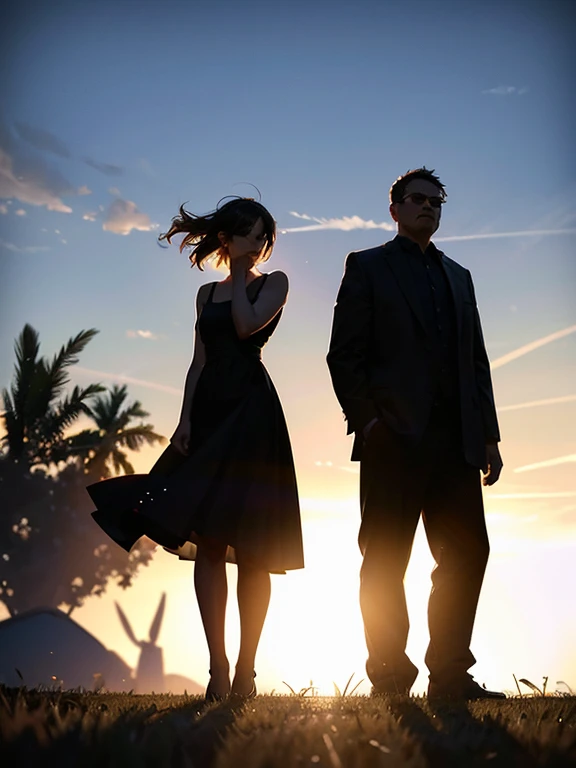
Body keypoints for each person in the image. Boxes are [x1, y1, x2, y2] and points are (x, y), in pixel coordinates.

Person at [88, 197, 304, 701]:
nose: (256, 241)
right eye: (246, 233)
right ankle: (219, 670)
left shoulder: (274, 284)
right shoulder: (205, 294)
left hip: (253, 418)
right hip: (208, 416)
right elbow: (198, 360)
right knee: (207, 539)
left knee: (252, 549)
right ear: (226, 237)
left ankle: (248, 670)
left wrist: (243, 272)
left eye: (261, 234)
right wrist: (184, 418)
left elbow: (247, 327)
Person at [326, 168, 505, 701]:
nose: (428, 207)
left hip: (456, 444)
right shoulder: (366, 267)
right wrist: (370, 423)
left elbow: (476, 362)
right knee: (384, 559)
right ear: (395, 209)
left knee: (469, 551)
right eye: (418, 200)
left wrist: (489, 436)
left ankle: (449, 675)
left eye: (436, 202)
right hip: (392, 442)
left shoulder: (460, 276)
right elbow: (344, 355)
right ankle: (389, 677)